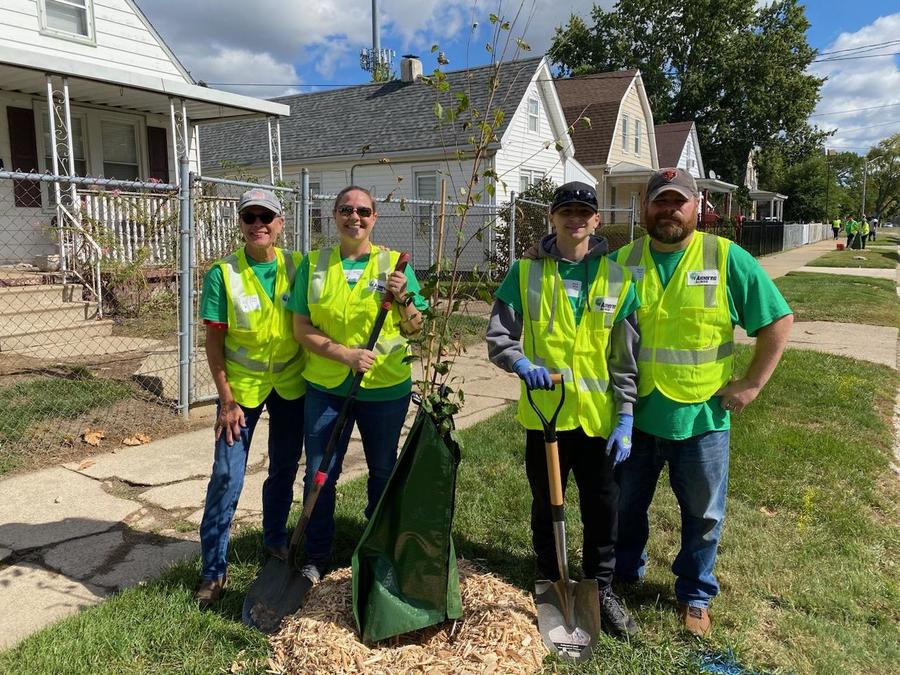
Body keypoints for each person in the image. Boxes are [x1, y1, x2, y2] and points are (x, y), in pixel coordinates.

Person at [612, 168, 793, 637]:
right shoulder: (620, 261)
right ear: (643, 208)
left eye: (678, 201)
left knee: (704, 514)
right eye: (659, 201)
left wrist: (752, 384)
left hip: (702, 415)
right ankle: (624, 573)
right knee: (624, 504)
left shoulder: (725, 256)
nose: (668, 209)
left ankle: (695, 594)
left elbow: (777, 320)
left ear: (697, 207)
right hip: (634, 414)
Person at [487, 181, 642, 639]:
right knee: (546, 503)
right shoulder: (525, 273)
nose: (576, 220)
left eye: (584, 212)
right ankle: (551, 583)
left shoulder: (619, 279)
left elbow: (625, 357)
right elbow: (499, 336)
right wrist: (520, 362)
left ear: (597, 221)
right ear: (552, 219)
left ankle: (601, 590)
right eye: (566, 212)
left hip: (599, 421)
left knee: (602, 509)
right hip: (546, 416)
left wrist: (627, 414)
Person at [289, 185, 427, 584]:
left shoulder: (394, 265)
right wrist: (345, 355)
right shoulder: (314, 265)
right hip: (327, 387)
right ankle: (316, 554)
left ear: (374, 218)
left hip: (385, 388)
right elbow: (301, 328)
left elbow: (415, 329)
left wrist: (404, 300)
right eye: (346, 210)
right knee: (319, 471)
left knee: (383, 469)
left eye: (364, 211)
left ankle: (377, 545)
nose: (355, 217)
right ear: (334, 216)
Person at [196, 188, 306, 608]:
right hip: (240, 394)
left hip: (291, 387)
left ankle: (275, 543)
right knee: (227, 476)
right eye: (250, 217)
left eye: (267, 217)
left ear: (280, 223)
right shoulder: (222, 273)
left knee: (282, 469)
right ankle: (213, 570)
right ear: (240, 224)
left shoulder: (298, 265)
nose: (258, 224)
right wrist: (225, 399)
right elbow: (213, 342)